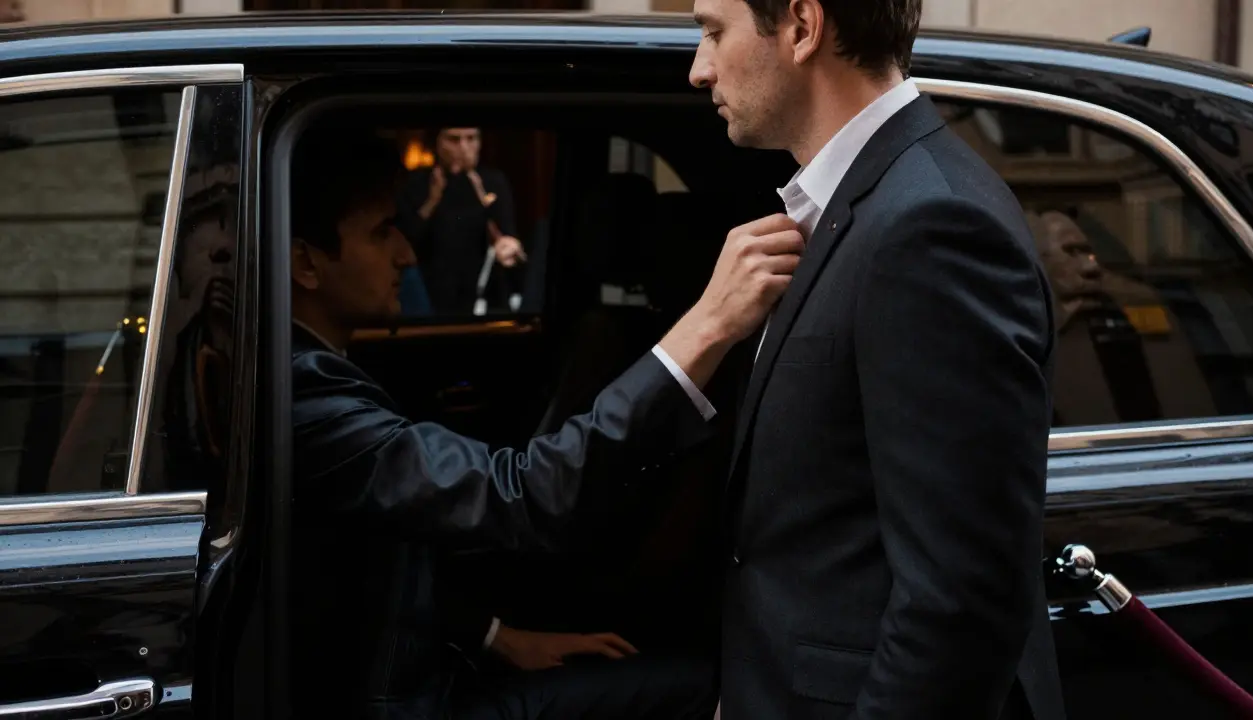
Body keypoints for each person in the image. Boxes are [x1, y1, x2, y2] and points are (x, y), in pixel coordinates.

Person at [287, 123, 802, 719]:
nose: (407, 251)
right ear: (305, 261)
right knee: (706, 689)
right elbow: (525, 492)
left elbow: (380, 562)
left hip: (418, 669)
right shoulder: (310, 393)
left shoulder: (316, 371)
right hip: (408, 704)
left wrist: (496, 636)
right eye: (382, 233)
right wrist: (707, 324)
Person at [688, 0, 1066, 718]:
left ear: (802, 25)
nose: (699, 68)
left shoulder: (931, 225)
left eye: (713, 31)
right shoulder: (857, 204)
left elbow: (960, 603)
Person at [398, 127, 527, 316]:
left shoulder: (493, 181)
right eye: (454, 140)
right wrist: (432, 201)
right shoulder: (417, 182)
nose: (464, 147)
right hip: (430, 294)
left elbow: (507, 235)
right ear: (437, 143)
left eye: (471, 139)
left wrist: (510, 248)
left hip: (481, 296)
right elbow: (406, 240)